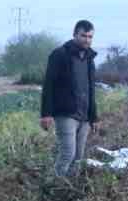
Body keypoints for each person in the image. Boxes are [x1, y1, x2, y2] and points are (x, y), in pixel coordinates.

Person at [39, 20, 98, 179]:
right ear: (74, 35)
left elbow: (91, 89)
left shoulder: (89, 58)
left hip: (84, 116)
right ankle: (55, 185)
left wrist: (94, 117)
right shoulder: (60, 55)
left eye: (90, 36)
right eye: (83, 35)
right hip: (66, 113)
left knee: (78, 157)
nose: (87, 39)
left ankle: (70, 188)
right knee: (68, 153)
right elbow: (49, 85)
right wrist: (46, 114)